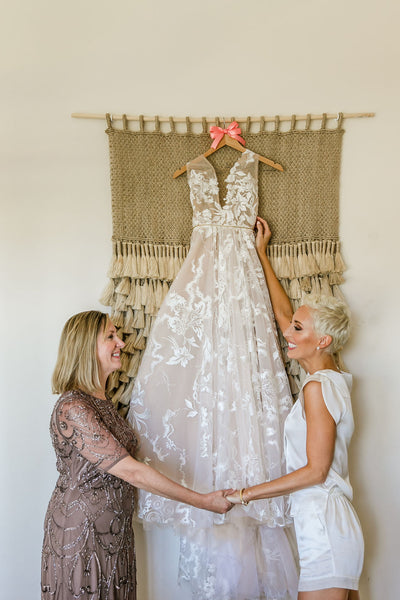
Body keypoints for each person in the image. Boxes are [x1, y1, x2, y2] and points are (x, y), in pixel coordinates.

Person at [41, 310, 233, 600]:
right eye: (110, 336)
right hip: (82, 534)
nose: (121, 342)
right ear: (85, 346)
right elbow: (131, 470)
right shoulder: (73, 407)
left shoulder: (104, 403)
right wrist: (203, 501)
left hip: (115, 533)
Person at [228, 216, 364, 600]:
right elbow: (284, 314)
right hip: (326, 527)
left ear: (322, 340)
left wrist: (245, 494)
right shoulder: (327, 375)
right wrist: (261, 254)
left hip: (326, 529)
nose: (287, 332)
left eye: (298, 330)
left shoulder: (318, 388)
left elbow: (316, 470)